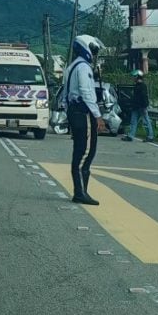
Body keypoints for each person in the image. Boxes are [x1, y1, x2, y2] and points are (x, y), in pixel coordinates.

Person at [63, 35, 107, 205]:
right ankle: (80, 192)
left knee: (79, 151)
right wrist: (97, 115)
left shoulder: (71, 67)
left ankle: (80, 191)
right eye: (94, 51)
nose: (94, 55)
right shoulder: (83, 67)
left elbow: (65, 94)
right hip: (83, 113)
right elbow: (86, 92)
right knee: (86, 152)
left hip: (74, 111)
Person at [122, 70, 154, 142]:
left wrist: (144, 106)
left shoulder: (142, 86)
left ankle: (150, 136)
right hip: (136, 106)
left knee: (146, 121)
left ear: (137, 77)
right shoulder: (137, 85)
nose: (133, 78)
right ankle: (130, 136)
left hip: (141, 107)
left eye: (134, 77)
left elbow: (144, 97)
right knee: (133, 122)